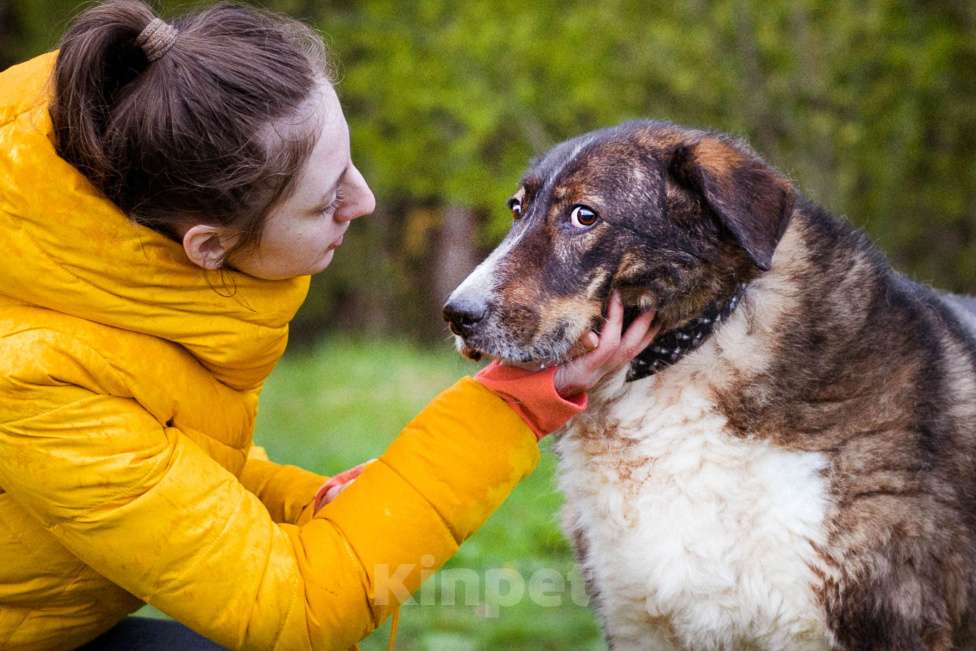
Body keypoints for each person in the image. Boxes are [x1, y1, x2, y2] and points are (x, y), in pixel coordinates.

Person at [0, 1, 658, 649]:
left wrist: (311, 499)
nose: (364, 199)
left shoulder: (112, 276)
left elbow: (173, 459)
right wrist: (512, 403)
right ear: (208, 244)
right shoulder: (34, 376)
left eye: (348, 163)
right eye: (324, 201)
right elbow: (295, 609)